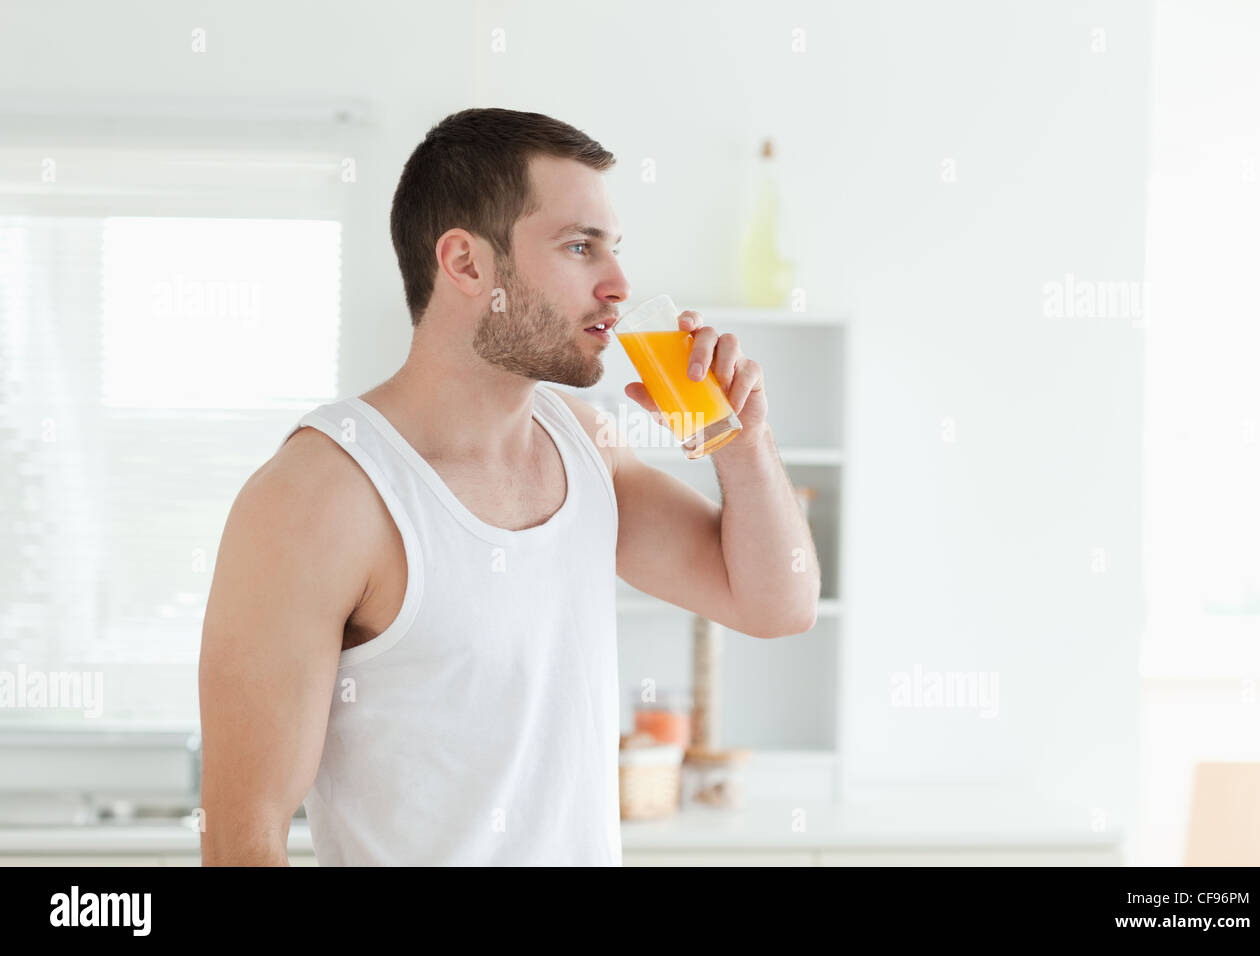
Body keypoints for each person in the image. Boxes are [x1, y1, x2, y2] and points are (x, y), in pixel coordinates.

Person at [197, 107, 820, 866]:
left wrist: (740, 442)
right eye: (579, 247)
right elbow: (242, 836)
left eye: (614, 250)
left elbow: (778, 605)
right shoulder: (321, 495)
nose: (619, 285)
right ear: (465, 264)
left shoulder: (586, 447)